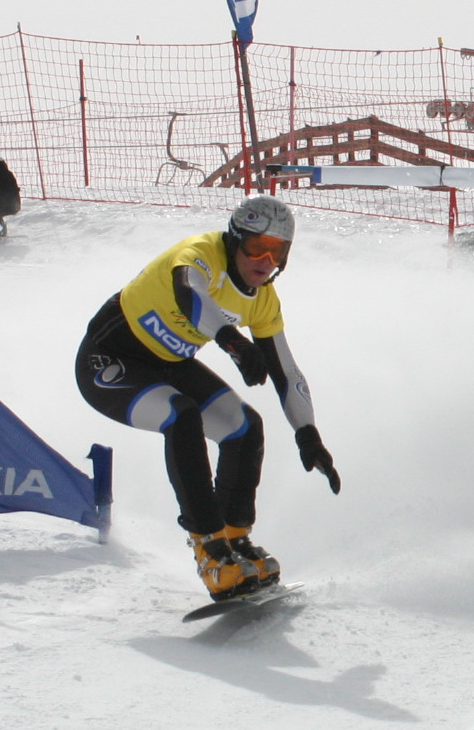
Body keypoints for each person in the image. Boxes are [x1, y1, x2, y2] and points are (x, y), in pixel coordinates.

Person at [74, 196, 340, 601]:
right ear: (234, 241)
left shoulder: (264, 299)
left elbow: (286, 371)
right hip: (108, 360)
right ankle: (209, 548)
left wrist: (308, 434)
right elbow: (190, 295)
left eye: (278, 251)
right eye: (256, 246)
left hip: (168, 362)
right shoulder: (199, 254)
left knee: (245, 427)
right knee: (181, 417)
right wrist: (232, 340)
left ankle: (235, 539)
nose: (266, 260)